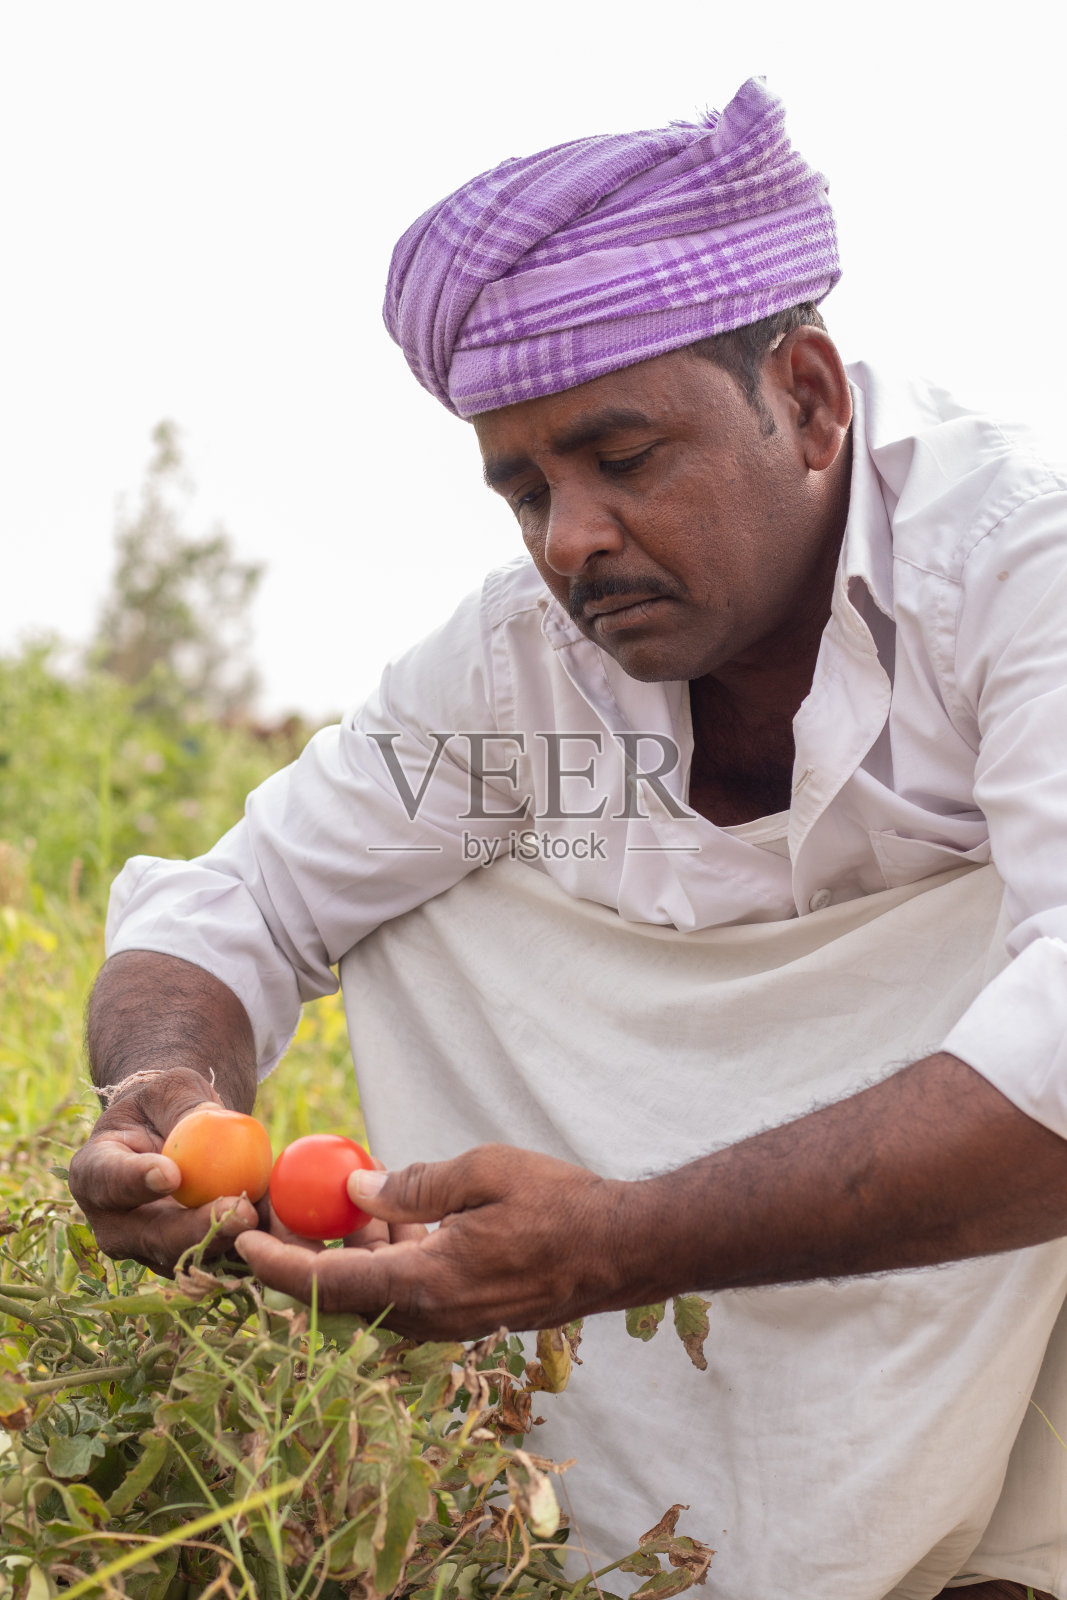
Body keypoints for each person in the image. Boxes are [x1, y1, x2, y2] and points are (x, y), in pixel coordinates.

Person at [69, 78, 1067, 1600]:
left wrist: (616, 1243)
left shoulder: (1018, 568)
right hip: (672, 1336)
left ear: (805, 398)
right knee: (419, 887)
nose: (570, 538)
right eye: (524, 487)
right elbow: (237, 902)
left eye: (623, 456)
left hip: (1003, 1271)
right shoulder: (519, 658)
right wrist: (165, 1095)